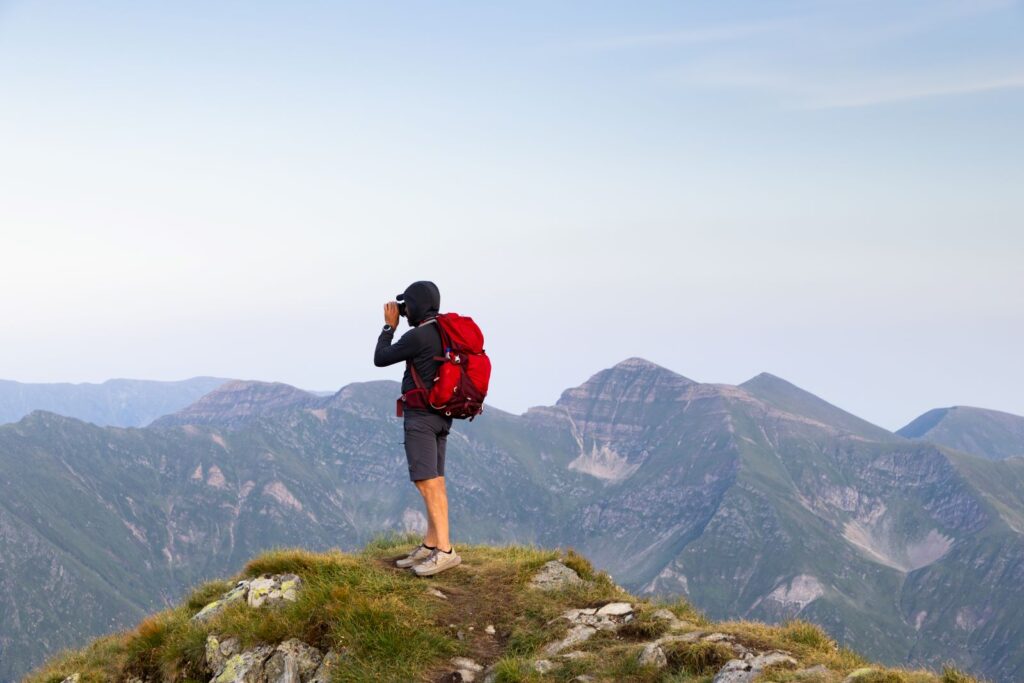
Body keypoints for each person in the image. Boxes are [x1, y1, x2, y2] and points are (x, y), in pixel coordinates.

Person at [373, 280, 461, 576]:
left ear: (417, 305)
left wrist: (389, 327)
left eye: (406, 304)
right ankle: (432, 543)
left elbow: (381, 358)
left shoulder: (419, 335)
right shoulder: (443, 331)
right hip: (441, 415)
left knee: (426, 481)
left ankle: (445, 551)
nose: (404, 310)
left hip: (421, 416)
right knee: (435, 480)